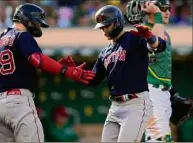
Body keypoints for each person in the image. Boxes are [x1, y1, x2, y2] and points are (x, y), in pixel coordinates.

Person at [0, 3, 95, 142]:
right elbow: (37, 60)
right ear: (27, 19)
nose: (38, 26)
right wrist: (67, 71)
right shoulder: (22, 35)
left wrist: (55, 66)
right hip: (18, 103)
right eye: (37, 22)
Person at [59, 4, 167, 142]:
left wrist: (149, 37)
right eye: (102, 27)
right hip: (115, 106)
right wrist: (73, 71)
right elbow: (93, 80)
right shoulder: (105, 52)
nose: (103, 29)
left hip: (135, 104)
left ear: (117, 22)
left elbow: (160, 47)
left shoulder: (134, 37)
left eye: (106, 25)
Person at [125, 0, 192, 142]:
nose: (167, 12)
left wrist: (171, 92)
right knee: (159, 138)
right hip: (149, 92)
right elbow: (157, 44)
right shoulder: (141, 31)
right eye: (163, 9)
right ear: (150, 11)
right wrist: (157, 15)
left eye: (169, 9)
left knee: (160, 137)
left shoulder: (164, 31)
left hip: (162, 92)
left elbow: (160, 68)